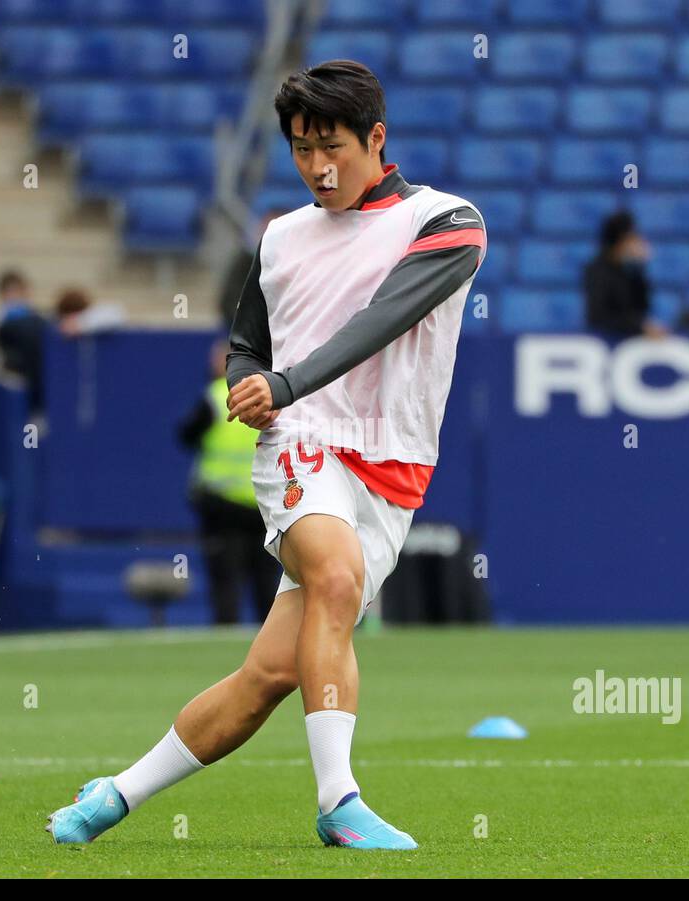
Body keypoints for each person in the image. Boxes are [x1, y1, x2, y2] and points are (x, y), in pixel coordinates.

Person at [47, 59, 485, 850]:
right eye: (300, 149)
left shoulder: (449, 224)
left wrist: (280, 378)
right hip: (304, 446)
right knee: (337, 576)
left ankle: (114, 794)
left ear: (376, 139)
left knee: (268, 679)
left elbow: (380, 320)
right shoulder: (280, 238)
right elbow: (246, 346)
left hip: (392, 475)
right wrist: (253, 383)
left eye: (333, 148)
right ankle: (338, 801)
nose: (317, 168)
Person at [176, 337, 282, 625]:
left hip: (222, 504)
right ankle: (269, 642)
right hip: (265, 502)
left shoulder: (213, 396)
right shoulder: (275, 394)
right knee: (266, 580)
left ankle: (226, 637)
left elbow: (185, 435)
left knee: (225, 579)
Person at [583, 210, 665, 339]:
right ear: (621, 240)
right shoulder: (596, 271)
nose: (638, 242)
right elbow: (599, 316)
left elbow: (643, 307)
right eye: (632, 237)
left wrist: (640, 266)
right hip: (606, 342)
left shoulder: (630, 270)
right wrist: (639, 327)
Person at [0, 269, 48, 412]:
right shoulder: (2, 318)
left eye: (18, 291)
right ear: (3, 295)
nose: (15, 296)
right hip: (14, 373)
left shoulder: (35, 318)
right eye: (11, 292)